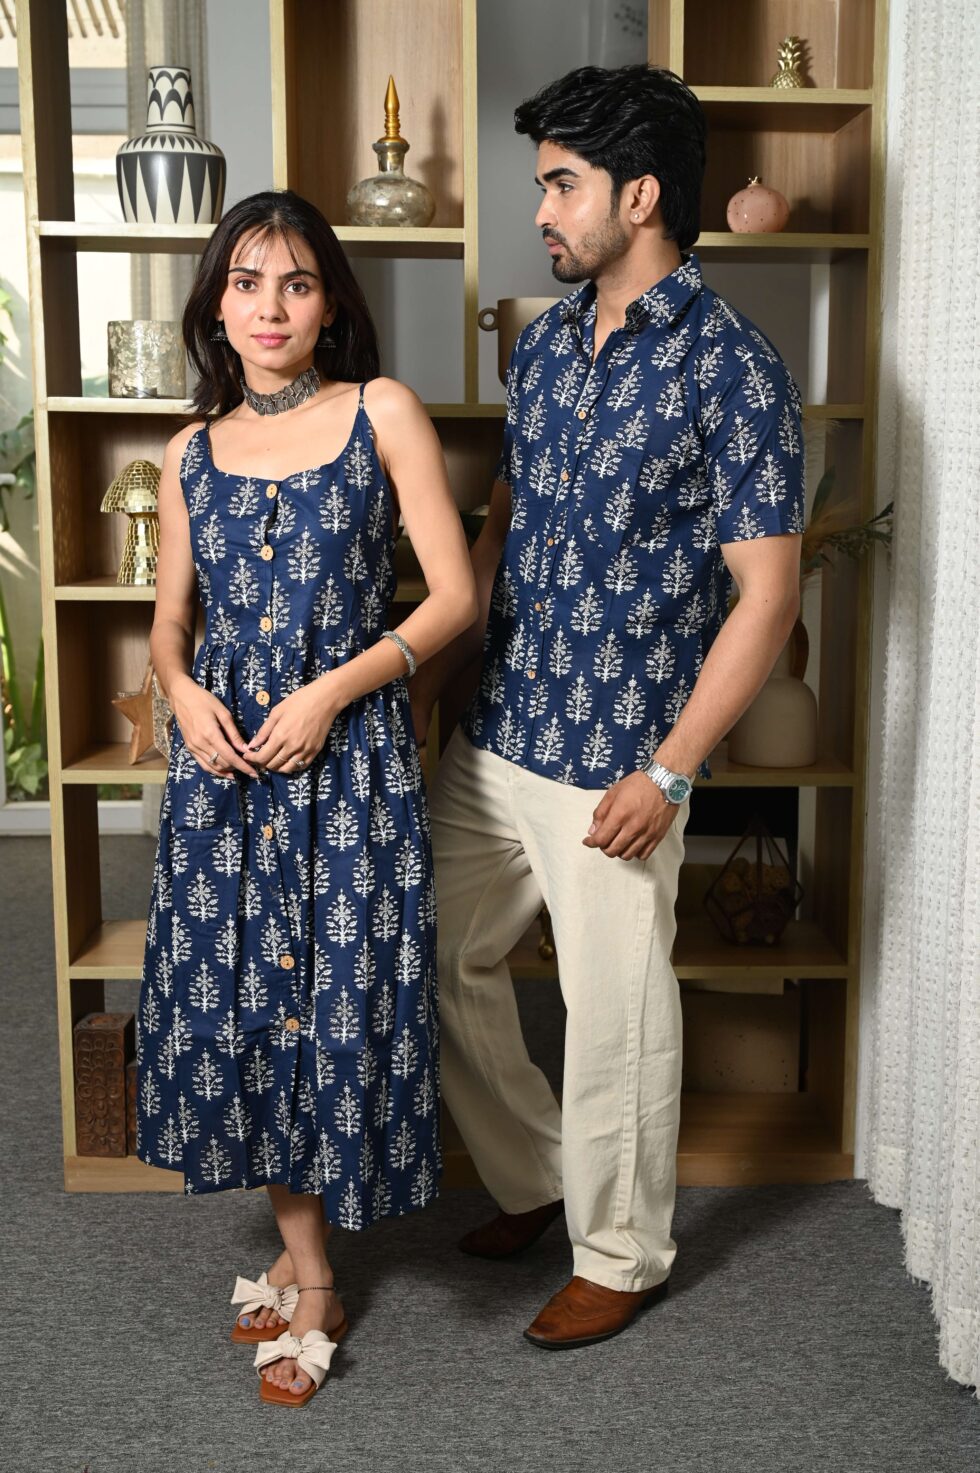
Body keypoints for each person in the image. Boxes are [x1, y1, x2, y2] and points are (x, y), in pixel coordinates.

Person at [411, 64, 805, 1349]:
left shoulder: (732, 366)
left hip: (617, 758)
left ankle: (622, 1255)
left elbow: (765, 599)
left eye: (560, 184)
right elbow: (503, 532)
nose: (539, 210)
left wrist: (672, 770)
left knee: (615, 1023)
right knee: (435, 950)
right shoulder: (541, 345)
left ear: (638, 195)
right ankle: (536, 1173)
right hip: (500, 728)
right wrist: (441, 685)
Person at [136, 189, 477, 1404]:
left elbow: (453, 600)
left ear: (329, 303)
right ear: (215, 304)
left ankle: (310, 1277)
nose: (269, 307)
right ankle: (308, 1265)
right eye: (245, 283)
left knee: (334, 1002)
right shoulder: (188, 451)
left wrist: (331, 693)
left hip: (346, 762)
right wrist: (182, 694)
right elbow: (169, 622)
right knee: (242, 1002)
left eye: (295, 283)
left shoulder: (380, 411)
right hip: (228, 769)